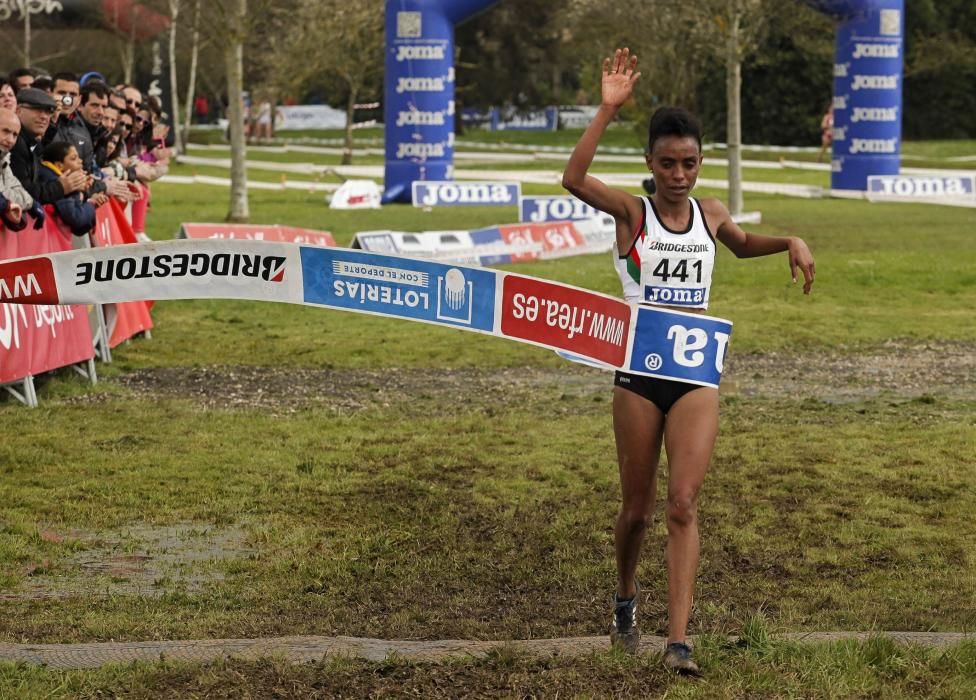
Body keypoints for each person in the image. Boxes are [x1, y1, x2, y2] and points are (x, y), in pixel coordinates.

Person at [561, 48, 815, 675]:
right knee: (637, 510)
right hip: (639, 374)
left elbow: (743, 244)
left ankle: (679, 641)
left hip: (696, 372)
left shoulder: (710, 214)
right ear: (650, 164)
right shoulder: (632, 213)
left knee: (682, 504)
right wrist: (608, 108)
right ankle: (624, 599)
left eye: (690, 163)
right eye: (668, 163)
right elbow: (573, 179)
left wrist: (790, 240)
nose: (680, 174)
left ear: (701, 164)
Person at [39, 141, 99, 235]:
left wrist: (81, 190)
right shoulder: (54, 182)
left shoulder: (51, 175)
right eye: (74, 158)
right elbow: (76, 218)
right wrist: (91, 204)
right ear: (59, 166)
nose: (80, 161)